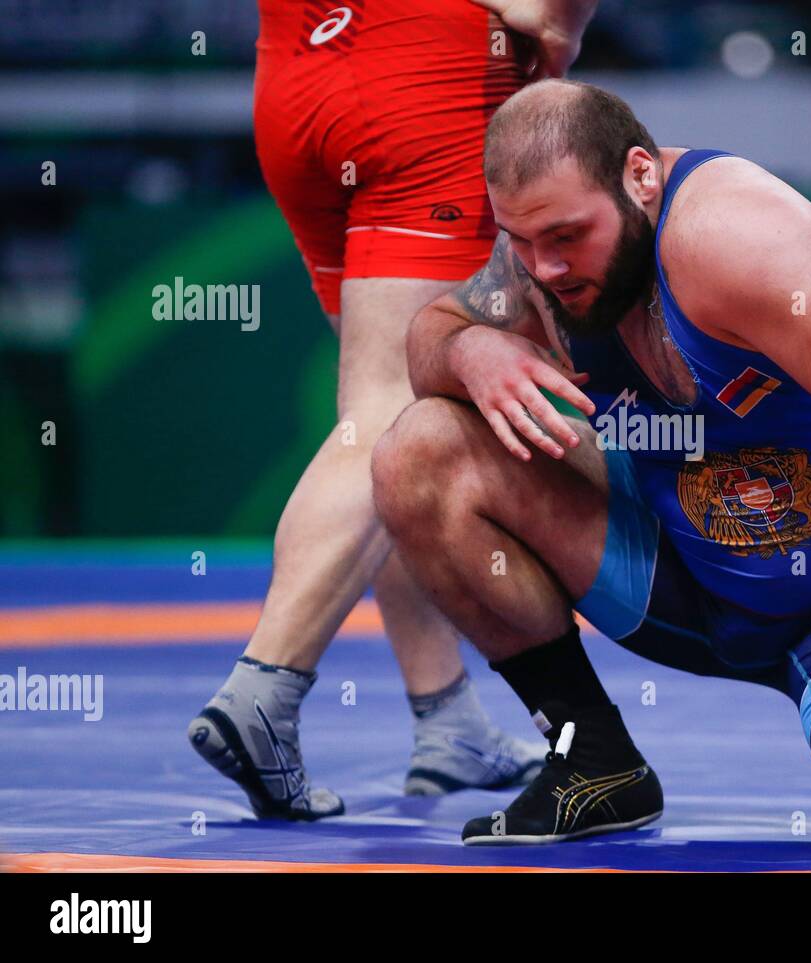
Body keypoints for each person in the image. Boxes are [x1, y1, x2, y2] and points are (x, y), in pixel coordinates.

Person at [371, 79, 811, 858]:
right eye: (521, 239)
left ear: (641, 177)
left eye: (567, 236)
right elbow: (433, 335)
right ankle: (592, 756)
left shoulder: (735, 233)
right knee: (419, 449)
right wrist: (468, 348)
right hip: (681, 568)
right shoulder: (541, 260)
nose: (543, 268)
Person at [186, 0, 597, 820]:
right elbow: (548, 17)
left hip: (294, 74)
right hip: (425, 71)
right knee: (390, 408)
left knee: (377, 413)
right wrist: (558, 35)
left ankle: (446, 718)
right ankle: (263, 691)